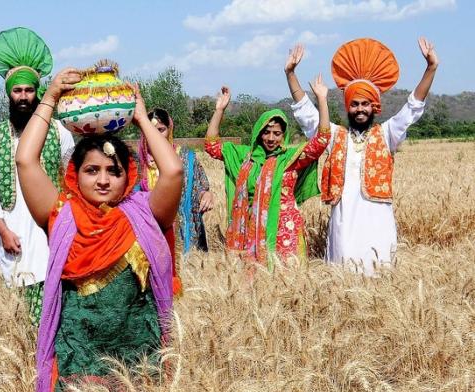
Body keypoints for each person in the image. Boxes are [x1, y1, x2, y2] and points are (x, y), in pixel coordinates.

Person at [15, 68, 182, 392]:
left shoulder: (145, 214)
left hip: (137, 359)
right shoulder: (60, 216)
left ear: (129, 176)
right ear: (76, 174)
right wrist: (51, 97)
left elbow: (173, 171)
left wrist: (140, 117)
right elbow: (25, 159)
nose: (103, 179)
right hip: (78, 360)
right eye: (92, 170)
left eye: (113, 171)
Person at [285, 38, 438, 274]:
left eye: (365, 104)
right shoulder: (335, 135)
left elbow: (412, 107)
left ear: (374, 107)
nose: (360, 109)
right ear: (348, 107)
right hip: (344, 219)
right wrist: (291, 73)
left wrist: (430, 68)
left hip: (378, 218)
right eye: (355, 104)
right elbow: (308, 115)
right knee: (342, 271)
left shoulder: (387, 134)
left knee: (380, 271)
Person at [0, 27, 74, 326]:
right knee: (13, 311)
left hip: (50, 229)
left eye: (29, 90)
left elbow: (72, 177)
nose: (23, 97)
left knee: (54, 299)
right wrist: (3, 231)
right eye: (18, 91)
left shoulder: (59, 132)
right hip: (13, 232)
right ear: (8, 94)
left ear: (38, 93)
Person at [204, 78, 331, 266]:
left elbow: (322, 140)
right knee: (254, 282)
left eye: (277, 133)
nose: (271, 138)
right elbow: (211, 145)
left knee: (287, 283)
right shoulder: (243, 157)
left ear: (284, 135)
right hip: (251, 228)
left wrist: (322, 100)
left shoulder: (289, 159)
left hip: (284, 229)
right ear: (258, 132)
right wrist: (220, 110)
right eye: (266, 132)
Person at [138, 108, 214, 254]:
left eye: (161, 129)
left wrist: (206, 194)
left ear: (170, 130)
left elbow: (199, 186)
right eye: (151, 129)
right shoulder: (138, 162)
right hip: (149, 231)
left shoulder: (186, 157)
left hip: (182, 231)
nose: (156, 134)